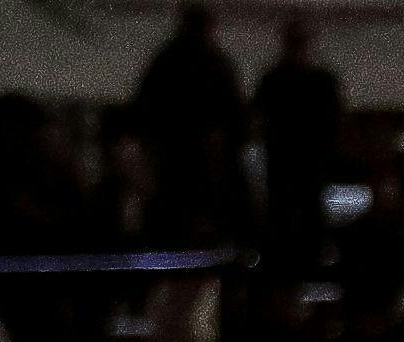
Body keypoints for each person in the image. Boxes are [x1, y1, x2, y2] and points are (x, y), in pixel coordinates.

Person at [126, 0, 236, 243]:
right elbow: (231, 113)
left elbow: (144, 106)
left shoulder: (170, 60)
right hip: (190, 153)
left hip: (177, 152)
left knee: (177, 213)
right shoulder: (213, 63)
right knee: (192, 213)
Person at [247, 11, 336, 271]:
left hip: (286, 156)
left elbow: (258, 117)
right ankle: (308, 260)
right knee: (304, 209)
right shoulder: (320, 81)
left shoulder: (274, 78)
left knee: (287, 209)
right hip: (305, 158)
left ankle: (282, 261)